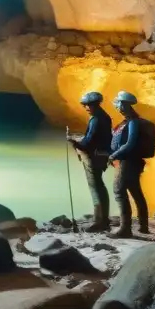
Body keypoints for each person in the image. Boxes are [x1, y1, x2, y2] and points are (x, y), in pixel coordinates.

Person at [67, 91, 113, 232]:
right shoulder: (105, 116)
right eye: (84, 105)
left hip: (94, 156)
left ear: (95, 104)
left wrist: (74, 142)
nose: (86, 107)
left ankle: (100, 221)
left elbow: (89, 141)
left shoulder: (96, 119)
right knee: (100, 185)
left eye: (88, 105)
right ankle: (103, 218)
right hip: (102, 155)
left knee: (95, 187)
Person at [108, 90, 150, 238]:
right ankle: (143, 226)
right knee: (135, 191)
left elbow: (130, 143)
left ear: (124, 104)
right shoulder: (130, 121)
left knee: (119, 190)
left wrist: (114, 155)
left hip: (128, 161)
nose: (117, 106)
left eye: (118, 103)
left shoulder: (132, 122)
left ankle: (125, 228)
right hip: (131, 160)